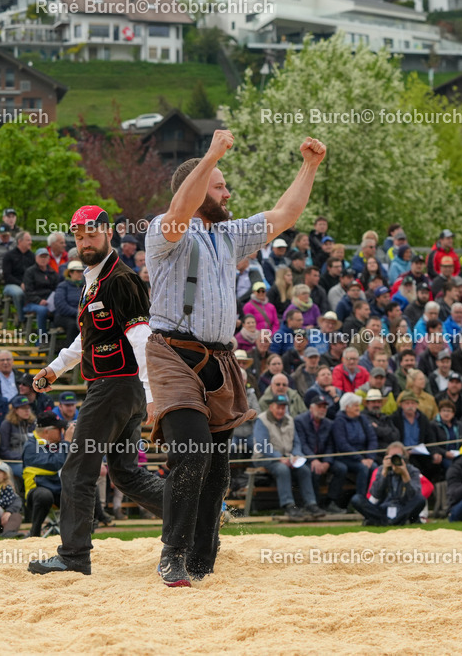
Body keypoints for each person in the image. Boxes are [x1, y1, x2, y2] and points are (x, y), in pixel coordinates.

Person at [140, 130, 326, 586]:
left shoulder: (227, 235)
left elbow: (285, 215)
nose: (228, 193)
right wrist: (211, 156)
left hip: (221, 361)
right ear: (201, 189)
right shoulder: (165, 231)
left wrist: (310, 166)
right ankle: (173, 554)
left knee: (218, 467)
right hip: (172, 353)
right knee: (192, 451)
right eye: (221, 186)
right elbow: (182, 207)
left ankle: (203, 558)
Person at [29, 205, 166, 577]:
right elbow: (86, 338)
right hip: (121, 390)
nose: (84, 241)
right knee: (125, 473)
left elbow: (142, 337)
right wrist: (55, 368)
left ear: (108, 233)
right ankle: (195, 515)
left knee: (77, 469)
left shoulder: (120, 279)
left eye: (91, 234)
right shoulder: (94, 279)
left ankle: (73, 556)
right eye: (78, 235)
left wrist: (151, 393)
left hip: (115, 388)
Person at [252, 394, 325, 519]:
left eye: (283, 408)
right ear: (271, 407)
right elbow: (262, 445)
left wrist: (296, 455)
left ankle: (311, 504)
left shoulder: (290, 420)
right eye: (278, 407)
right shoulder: (262, 420)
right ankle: (289, 505)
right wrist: (279, 457)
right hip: (264, 458)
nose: (281, 410)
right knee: (282, 469)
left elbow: (296, 442)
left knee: (304, 470)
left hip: (288, 457)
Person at [22, 412, 74, 539]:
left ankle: (79, 533)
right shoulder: (31, 446)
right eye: (58, 429)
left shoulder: (57, 444)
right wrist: (67, 442)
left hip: (58, 487)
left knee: (82, 488)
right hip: (37, 488)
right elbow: (54, 463)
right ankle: (34, 533)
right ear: (46, 432)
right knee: (44, 495)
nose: (62, 431)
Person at [350, 441, 427, 526]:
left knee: (421, 499)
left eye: (397, 456)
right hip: (383, 509)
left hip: (403, 508)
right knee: (356, 499)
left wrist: (405, 474)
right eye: (392, 457)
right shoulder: (381, 470)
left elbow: (414, 496)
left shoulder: (412, 470)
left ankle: (382, 522)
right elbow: (375, 495)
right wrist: (384, 473)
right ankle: (394, 522)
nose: (394, 460)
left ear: (404, 457)